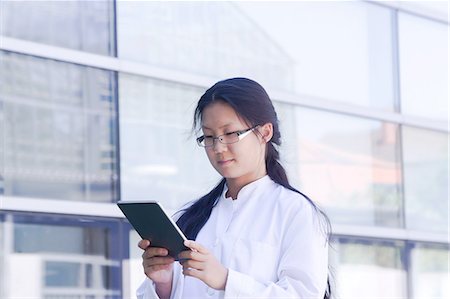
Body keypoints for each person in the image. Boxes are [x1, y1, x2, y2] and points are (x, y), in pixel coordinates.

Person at [137, 78, 331, 299]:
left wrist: (226, 280)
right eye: (209, 137)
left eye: (231, 134)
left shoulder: (296, 212)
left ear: (265, 132)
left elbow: (302, 294)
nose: (218, 147)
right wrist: (163, 283)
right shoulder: (189, 217)